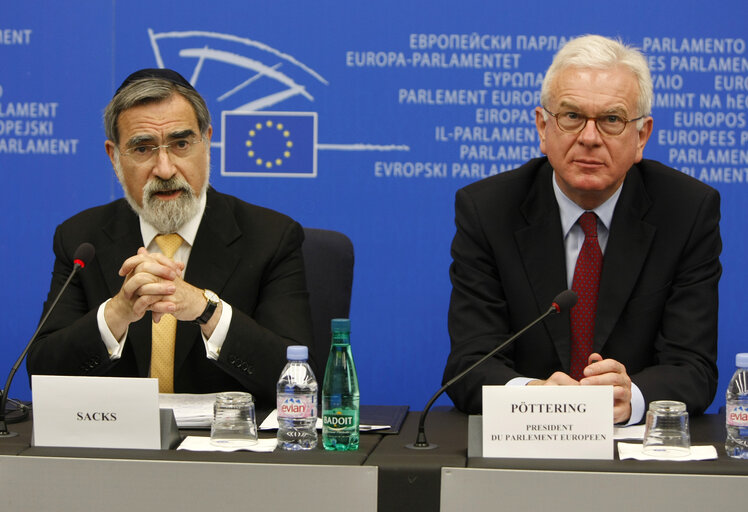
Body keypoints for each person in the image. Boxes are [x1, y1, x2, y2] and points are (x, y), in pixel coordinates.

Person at [443, 35, 721, 424]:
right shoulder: (488, 210)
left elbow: (693, 366)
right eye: (572, 116)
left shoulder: (687, 212)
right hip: (525, 446)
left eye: (611, 119)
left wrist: (633, 397)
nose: (589, 138)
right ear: (543, 127)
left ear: (641, 136)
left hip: (633, 458)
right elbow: (469, 364)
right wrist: (533, 396)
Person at [27, 68, 314, 408]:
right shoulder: (80, 239)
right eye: (143, 148)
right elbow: (43, 377)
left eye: (180, 144)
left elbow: (296, 379)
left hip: (226, 449)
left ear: (206, 142)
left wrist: (206, 310)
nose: (164, 169)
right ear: (114, 156)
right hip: (117, 449)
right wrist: (117, 313)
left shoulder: (270, 237)